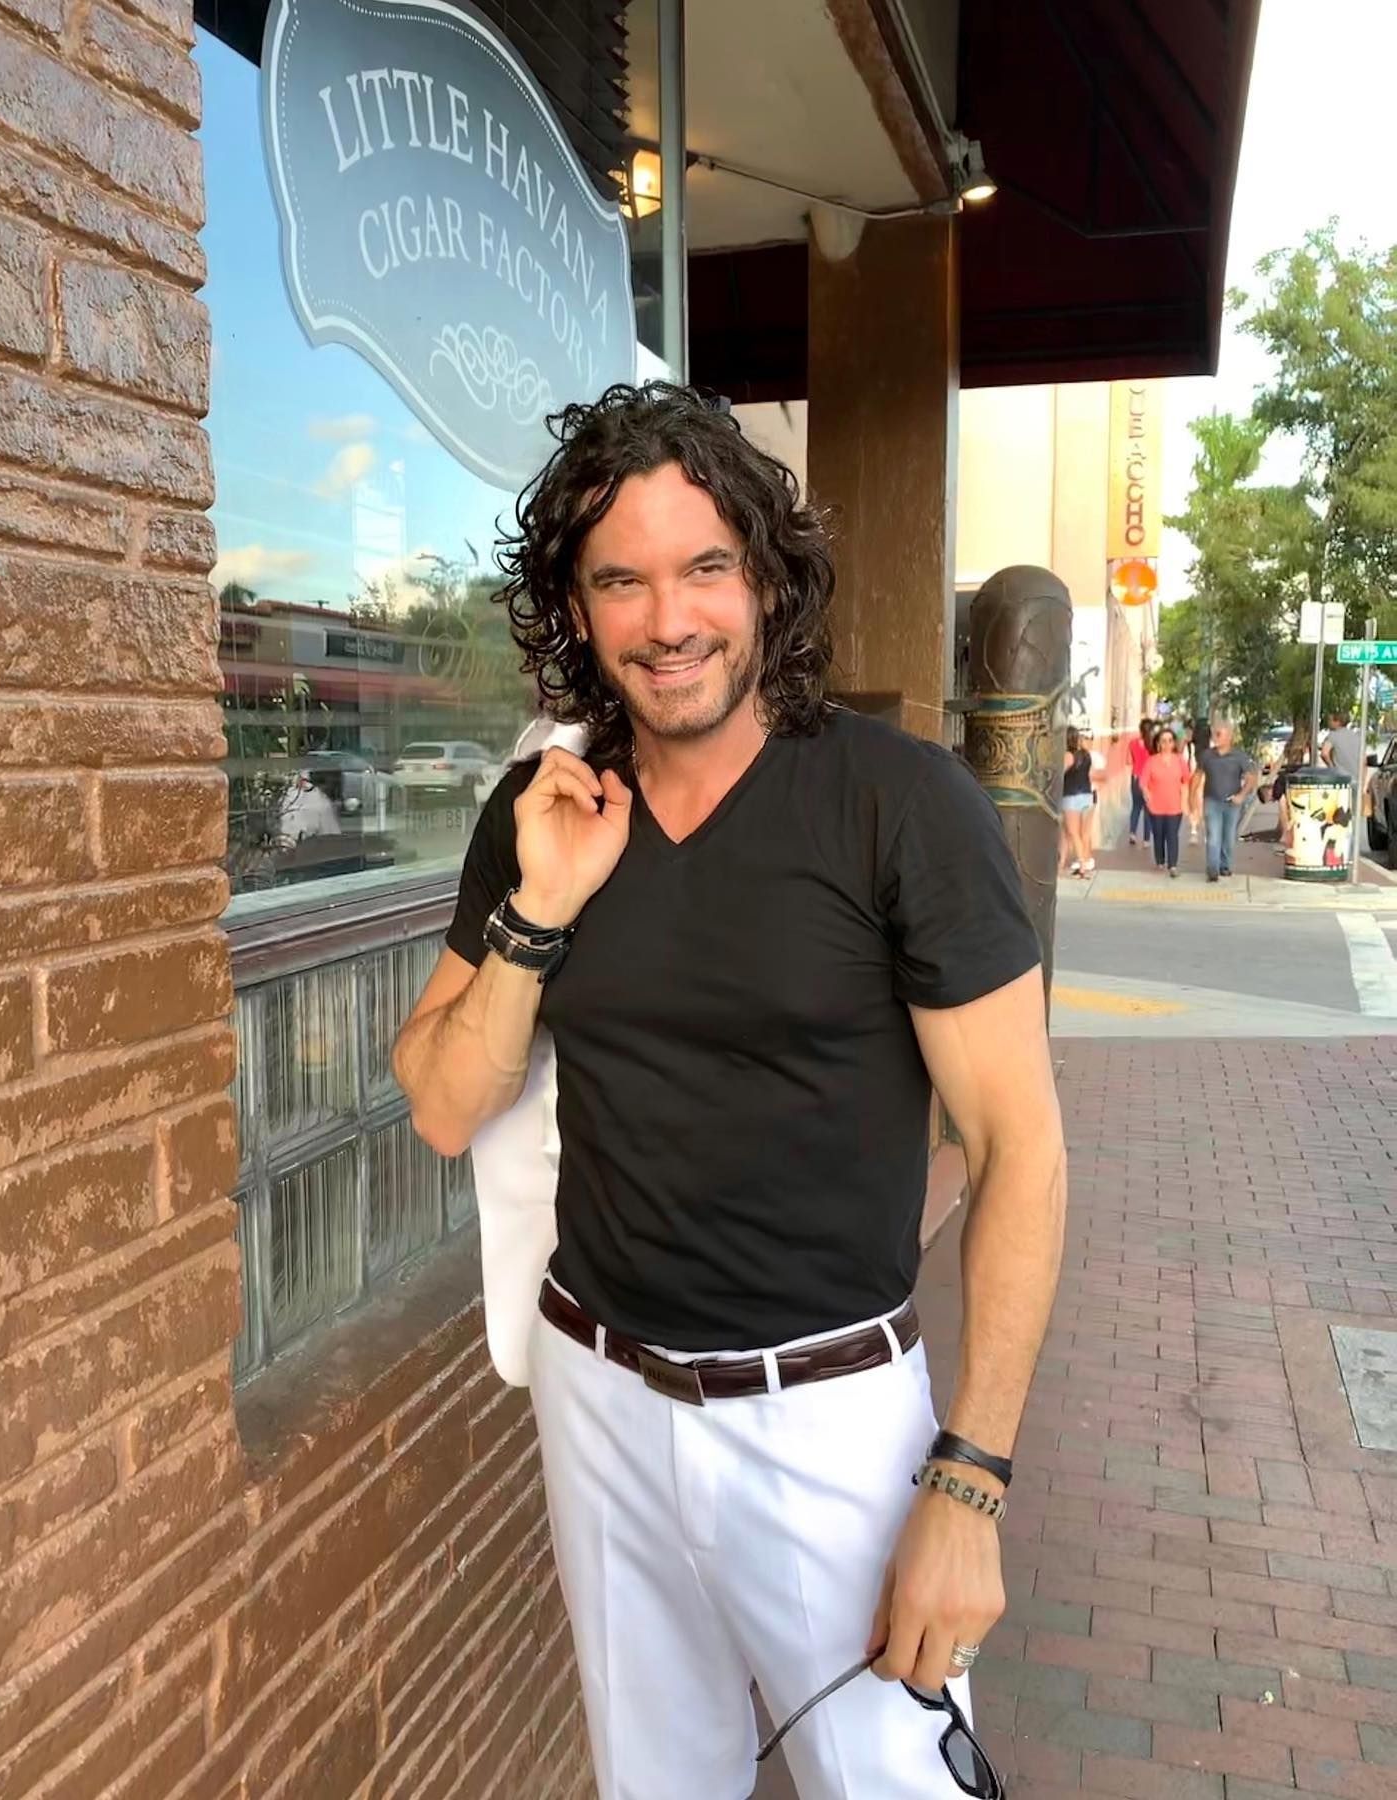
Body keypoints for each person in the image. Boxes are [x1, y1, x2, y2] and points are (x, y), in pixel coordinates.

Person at [393, 384, 1066, 1800]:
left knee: (897, 1783)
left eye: (705, 566)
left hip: (829, 1418)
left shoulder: (900, 806)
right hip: (598, 1392)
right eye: (620, 581)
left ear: (765, 576)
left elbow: (1020, 1149)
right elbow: (445, 1104)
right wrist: (540, 909)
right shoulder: (544, 810)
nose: (668, 620)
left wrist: (969, 1482)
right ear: (575, 609)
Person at [1191, 719, 1258, 883]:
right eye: (1214, 734)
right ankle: (1212, 869)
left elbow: (1251, 778)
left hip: (1231, 804)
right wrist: (1191, 798)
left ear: (1229, 736)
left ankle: (1225, 866)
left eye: (1219, 734)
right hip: (1211, 801)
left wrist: (1241, 795)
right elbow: (1197, 776)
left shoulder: (1239, 756)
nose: (1215, 737)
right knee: (1213, 835)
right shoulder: (1207, 755)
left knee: (1228, 837)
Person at [1140, 723, 1189, 878]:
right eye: (1163, 741)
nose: (1167, 744)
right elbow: (1142, 781)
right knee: (1158, 835)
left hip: (1175, 806)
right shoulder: (1152, 761)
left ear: (1174, 743)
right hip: (1156, 806)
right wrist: (1146, 792)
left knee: (1172, 835)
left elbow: (1186, 780)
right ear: (1158, 744)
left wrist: (1186, 800)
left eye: (1170, 741)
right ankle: (1160, 861)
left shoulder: (1179, 760)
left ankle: (1173, 865)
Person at [1061, 725, 1097, 877]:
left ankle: (1082, 865)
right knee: (1070, 833)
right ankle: (1061, 863)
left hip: (1071, 797)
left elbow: (1059, 775)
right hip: (1087, 796)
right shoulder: (1086, 755)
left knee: (1073, 833)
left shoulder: (1068, 756)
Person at [1128, 718, 1153, 846]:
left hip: (1136, 777)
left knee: (1136, 807)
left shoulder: (1133, 743)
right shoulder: (1153, 745)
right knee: (1148, 809)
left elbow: (1128, 761)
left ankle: (1132, 833)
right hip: (1149, 780)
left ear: (1140, 730)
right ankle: (1146, 840)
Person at [1321, 710, 1364, 784]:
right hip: (1356, 779)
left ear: (1337, 722)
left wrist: (1332, 767)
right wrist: (1363, 783)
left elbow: (1324, 753)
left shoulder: (1333, 735)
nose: (1328, 723)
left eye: (1330, 720)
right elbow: (1364, 761)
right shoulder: (1356, 736)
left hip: (1340, 779)